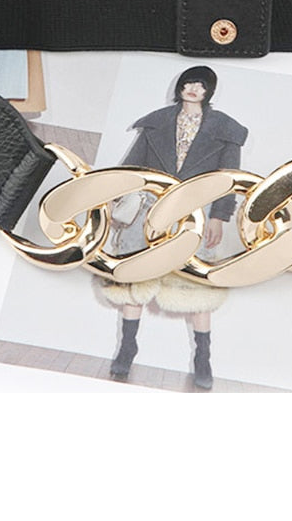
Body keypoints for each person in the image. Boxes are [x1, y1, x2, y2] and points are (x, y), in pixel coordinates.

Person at [102, 65, 248, 390]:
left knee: (195, 286)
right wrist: (116, 199)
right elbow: (132, 166)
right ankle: (127, 349)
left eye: (201, 85)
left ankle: (203, 358)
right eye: (189, 83)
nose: (194, 89)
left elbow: (229, 179)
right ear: (180, 87)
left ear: (209, 91)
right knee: (134, 276)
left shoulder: (226, 130)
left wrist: (219, 216)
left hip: (196, 212)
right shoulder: (158, 122)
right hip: (149, 208)